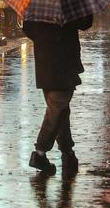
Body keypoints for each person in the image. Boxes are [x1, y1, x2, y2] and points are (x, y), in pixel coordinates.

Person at [22, 15, 93, 175]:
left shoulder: (36, 2)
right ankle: (40, 153)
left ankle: (68, 153)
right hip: (64, 61)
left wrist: (44, 38)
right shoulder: (71, 1)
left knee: (60, 110)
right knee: (57, 108)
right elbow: (85, 23)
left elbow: (28, 28)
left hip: (45, 60)